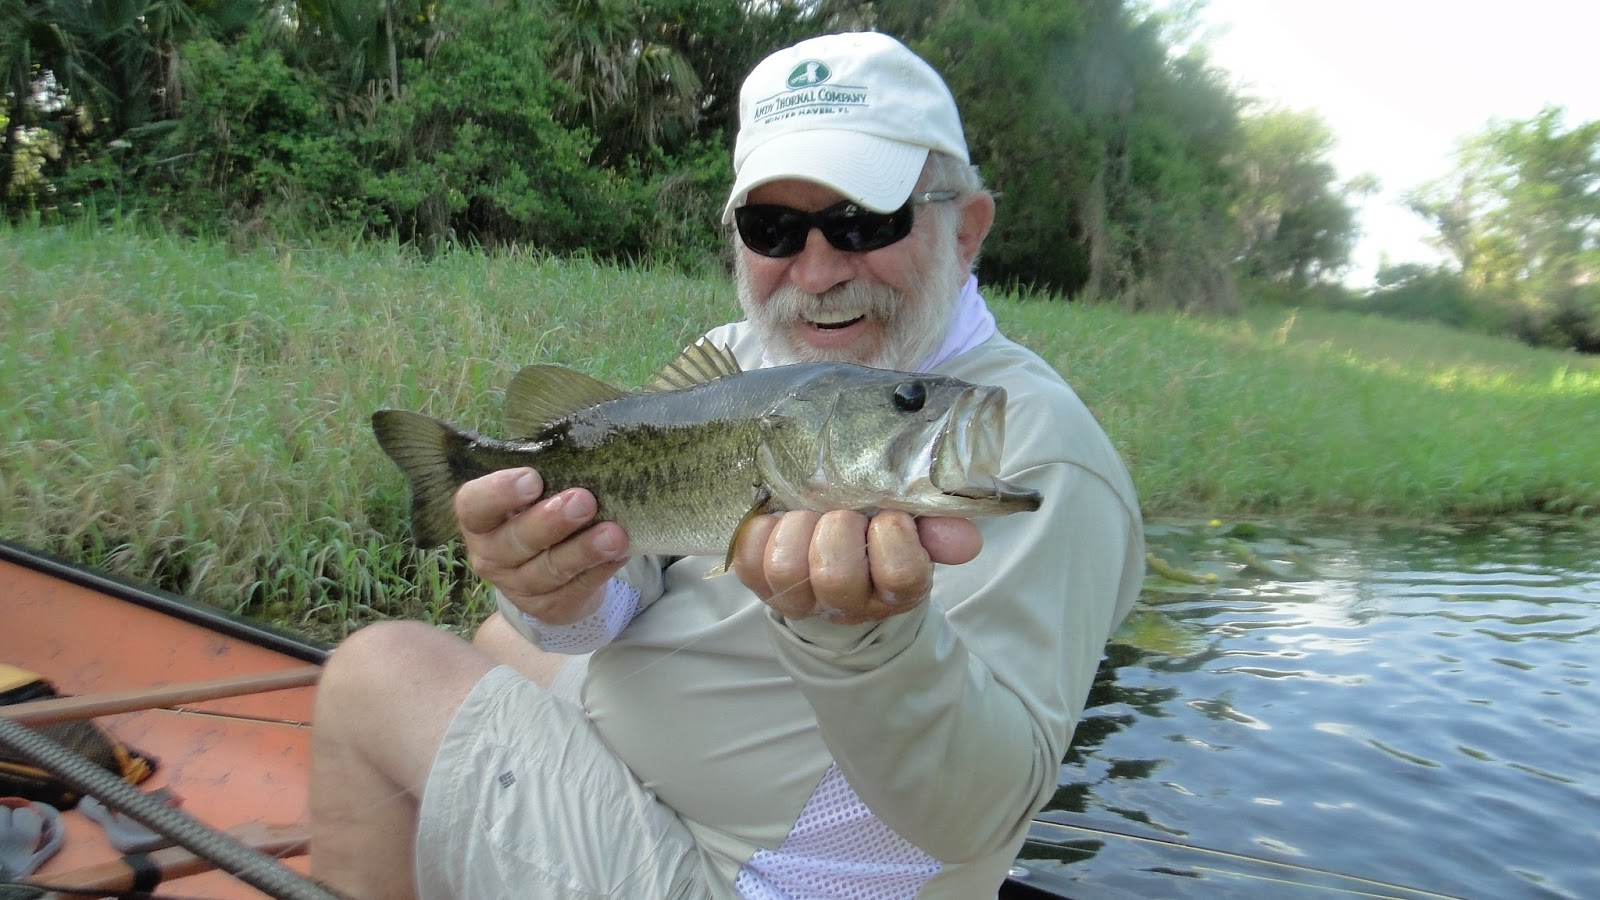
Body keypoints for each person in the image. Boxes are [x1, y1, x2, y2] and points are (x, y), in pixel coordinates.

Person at [309, 31, 1143, 900]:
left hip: (749, 878)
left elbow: (979, 815)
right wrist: (565, 592)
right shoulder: (738, 357)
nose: (816, 272)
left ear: (966, 230)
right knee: (498, 635)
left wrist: (866, 638)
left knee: (377, 672)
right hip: (648, 784)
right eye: (773, 227)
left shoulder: (1029, 447)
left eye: (865, 220)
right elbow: (636, 564)